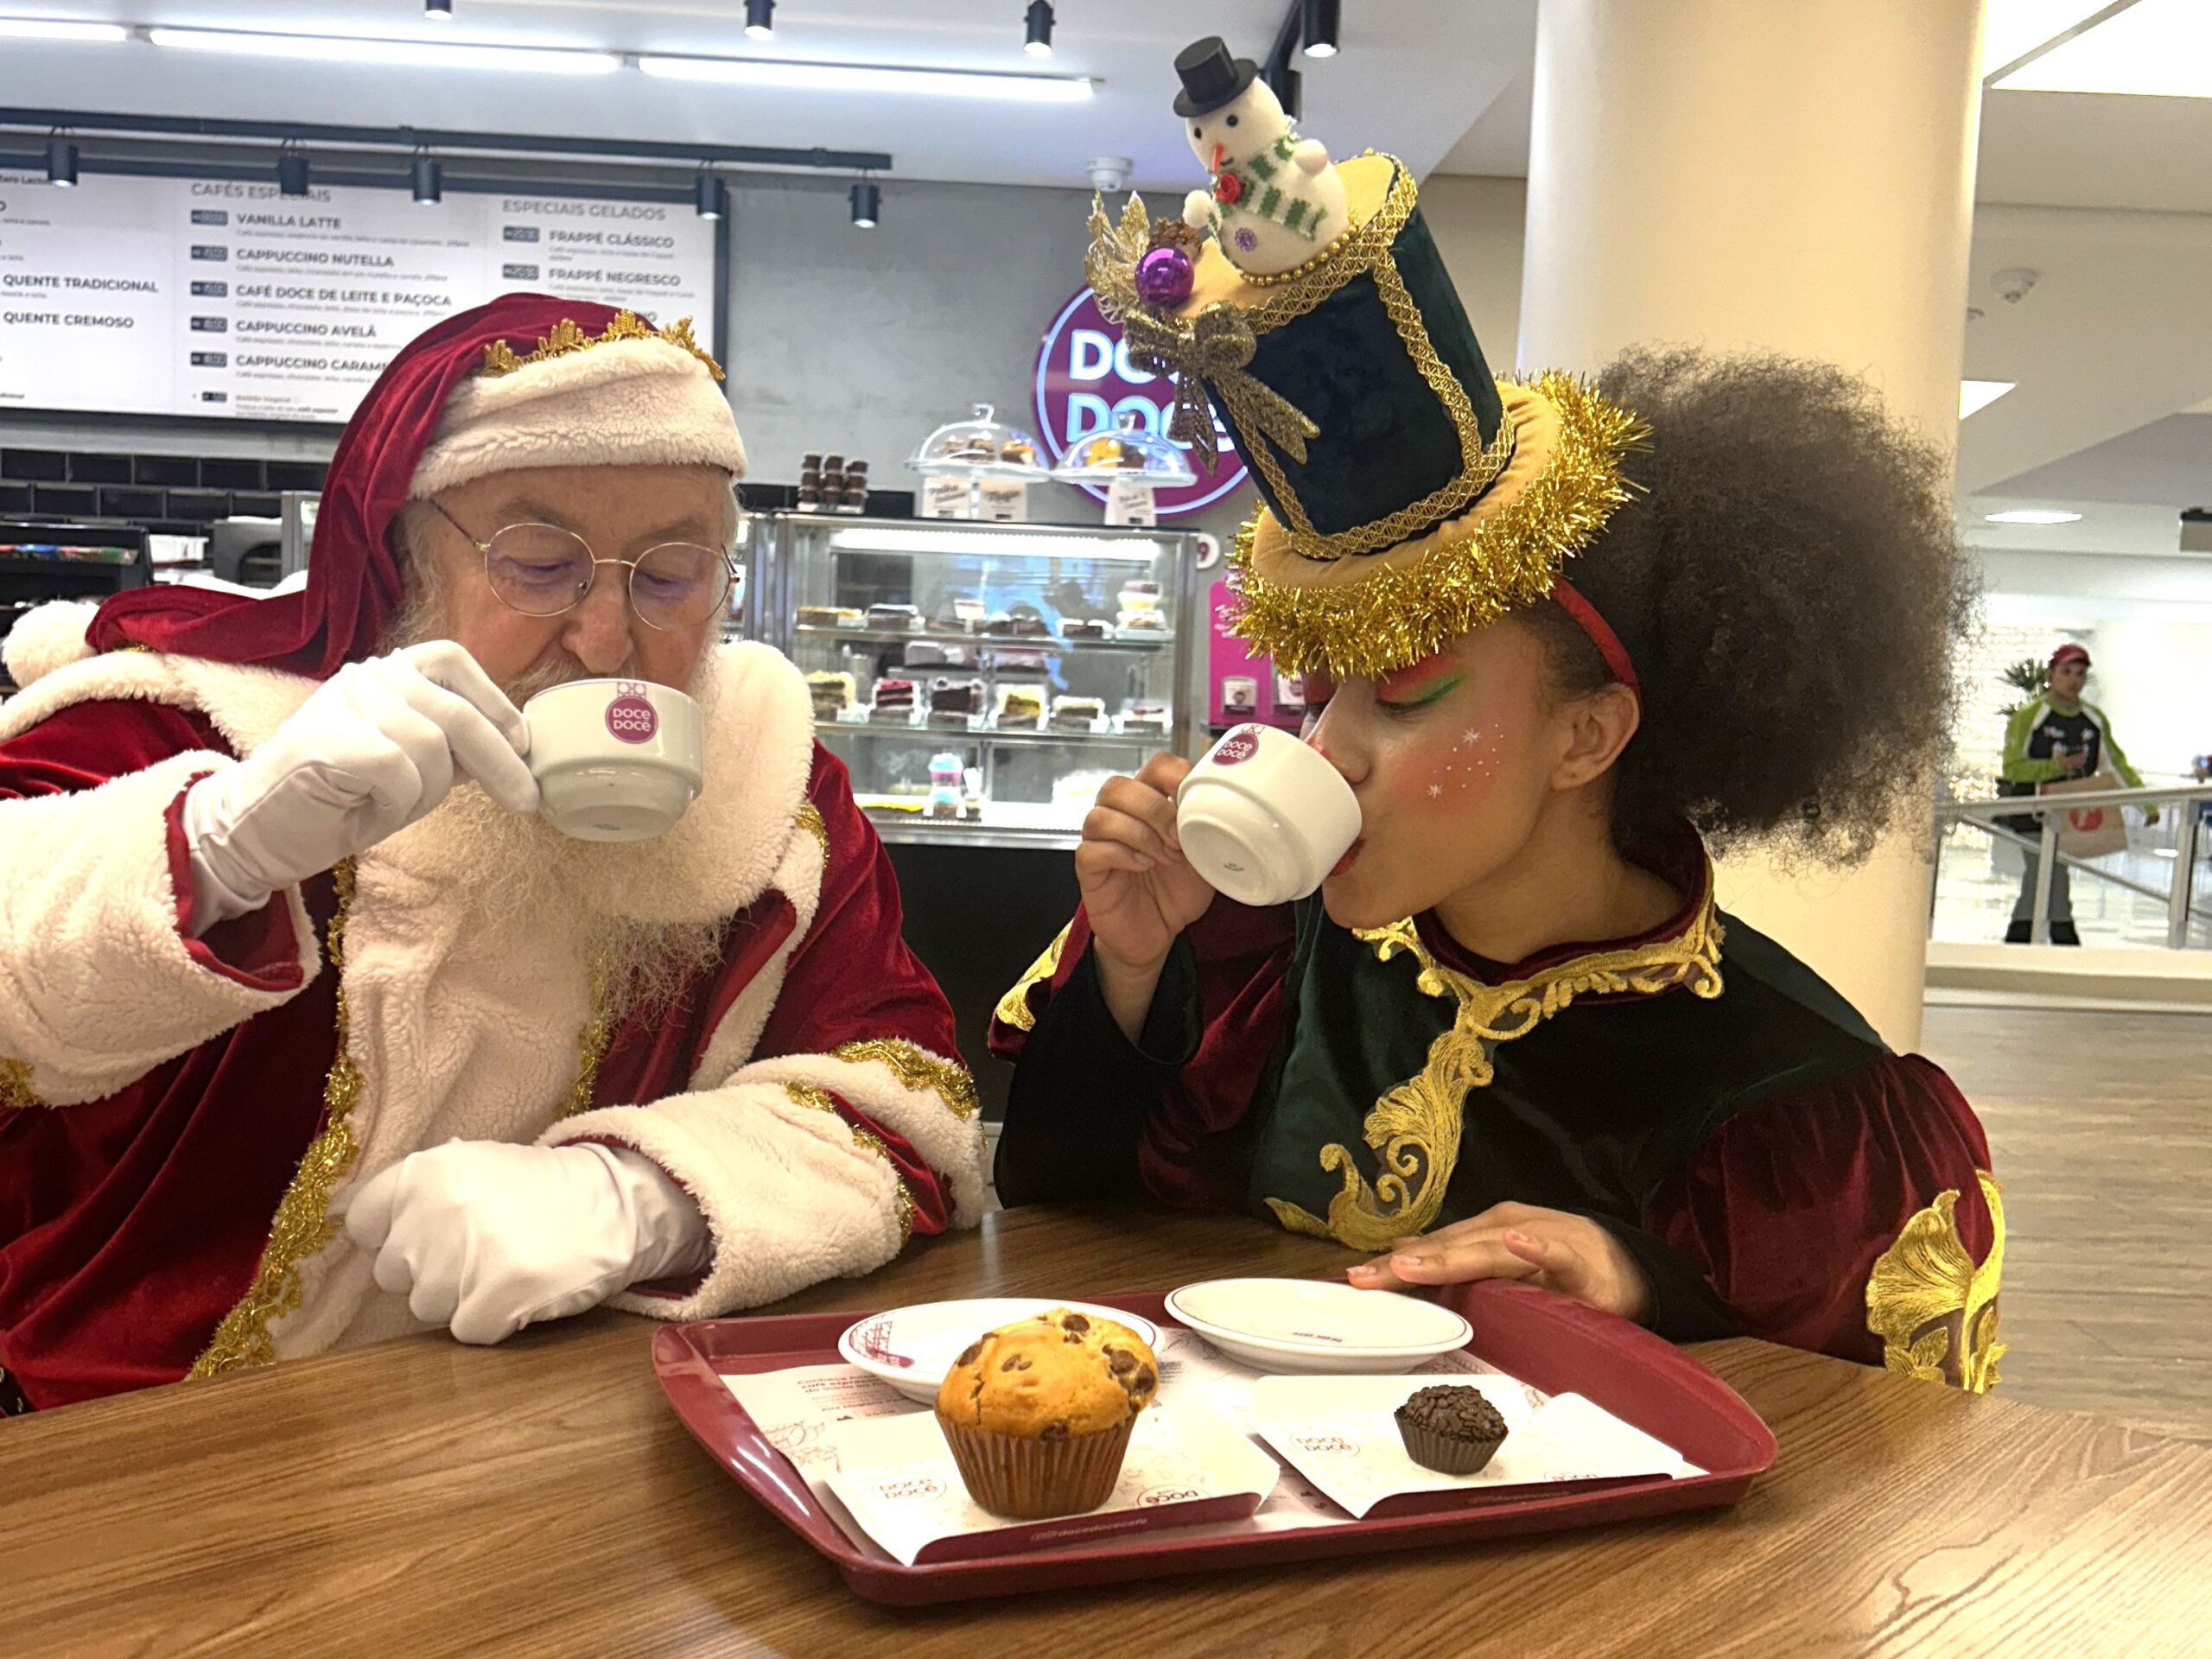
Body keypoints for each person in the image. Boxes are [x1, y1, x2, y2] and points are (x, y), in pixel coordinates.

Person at [994, 140, 2002, 1391]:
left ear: (1588, 736)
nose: (1331, 749)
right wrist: (1137, 970)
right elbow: (1060, 1217)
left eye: (1405, 696)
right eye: (1321, 693)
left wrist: (1643, 1282)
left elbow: (1881, 1481)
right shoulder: (1271, 950)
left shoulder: (1798, 1103)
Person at [0, 295, 982, 1414]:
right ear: (407, 558)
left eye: (672, 575)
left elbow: (912, 1100)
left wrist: (643, 1198)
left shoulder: (767, 785)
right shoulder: (190, 726)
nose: (609, 640)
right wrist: (217, 848)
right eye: (538, 561)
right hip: (143, 1452)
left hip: (558, 1451)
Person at [1997, 643, 2153, 944]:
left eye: (2080, 674)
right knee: (2044, 870)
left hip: (2069, 816)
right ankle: (2058, 935)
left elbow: (2115, 764)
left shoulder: (2093, 720)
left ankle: (2038, 936)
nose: (2073, 680)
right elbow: (2013, 767)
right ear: (2051, 675)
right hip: (2031, 811)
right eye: (2066, 672)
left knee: (2054, 871)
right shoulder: (2029, 717)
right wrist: (2056, 766)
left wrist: (2145, 804)